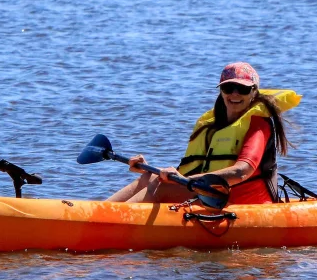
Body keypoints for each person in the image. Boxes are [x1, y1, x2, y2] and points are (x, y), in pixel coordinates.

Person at [107, 62, 300, 206]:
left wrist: (186, 181)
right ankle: (101, 213)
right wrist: (153, 170)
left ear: (254, 92)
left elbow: (242, 171)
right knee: (149, 178)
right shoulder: (212, 125)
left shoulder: (257, 124)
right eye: (228, 88)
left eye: (242, 89)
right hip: (212, 193)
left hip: (245, 201)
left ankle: (109, 224)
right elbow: (193, 168)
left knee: (161, 187)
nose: (234, 94)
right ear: (221, 91)